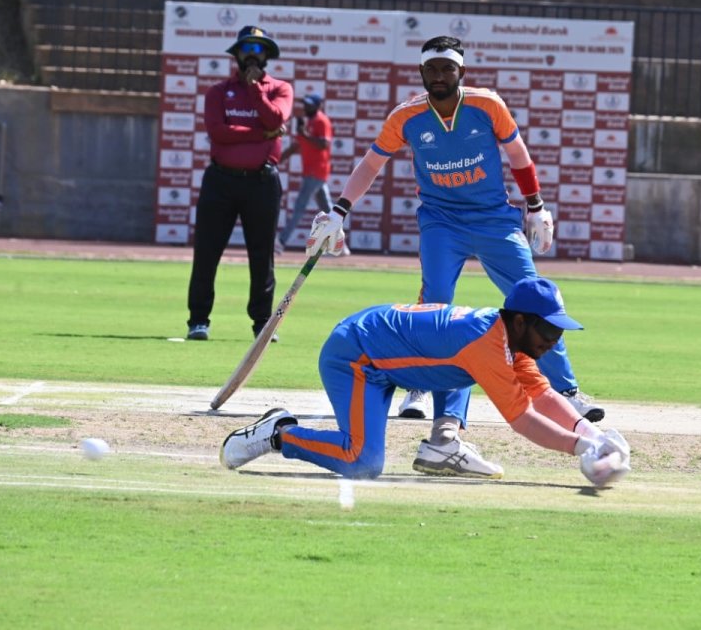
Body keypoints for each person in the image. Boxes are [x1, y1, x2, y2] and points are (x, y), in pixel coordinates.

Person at [305, 35, 604, 479]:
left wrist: (537, 207)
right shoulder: (406, 116)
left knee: (534, 300)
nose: (440, 76)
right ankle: (420, 391)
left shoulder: (487, 105)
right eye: (432, 70)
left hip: (495, 219)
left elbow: (519, 156)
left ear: (461, 72)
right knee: (438, 304)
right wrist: (339, 211)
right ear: (422, 74)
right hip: (441, 220)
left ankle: (568, 391)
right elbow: (370, 165)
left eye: (448, 68)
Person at [220, 276, 630, 486]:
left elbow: (542, 394)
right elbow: (522, 418)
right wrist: (582, 447)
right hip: (356, 357)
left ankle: (442, 445)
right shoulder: (486, 344)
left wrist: (594, 433)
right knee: (361, 463)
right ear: (521, 320)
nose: (554, 342)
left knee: (459, 373)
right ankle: (280, 433)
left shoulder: (510, 339)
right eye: (549, 333)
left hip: (384, 359)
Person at [185, 25, 293, 343]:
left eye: (259, 50)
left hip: (261, 181)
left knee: (262, 255)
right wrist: (262, 134)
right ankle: (198, 321)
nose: (252, 56)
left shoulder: (279, 89)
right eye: (246, 49)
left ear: (267, 56)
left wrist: (257, 92)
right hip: (220, 180)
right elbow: (220, 133)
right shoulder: (218, 92)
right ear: (236, 55)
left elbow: (276, 119)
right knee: (207, 252)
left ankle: (262, 323)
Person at [276, 94, 348, 256]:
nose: (306, 108)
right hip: (313, 171)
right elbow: (296, 146)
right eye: (305, 105)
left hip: (316, 172)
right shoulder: (307, 123)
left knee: (299, 208)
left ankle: (280, 242)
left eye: (309, 105)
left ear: (317, 107)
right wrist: (276, 160)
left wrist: (305, 134)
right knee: (329, 210)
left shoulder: (321, 121)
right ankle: (341, 245)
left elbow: (324, 144)